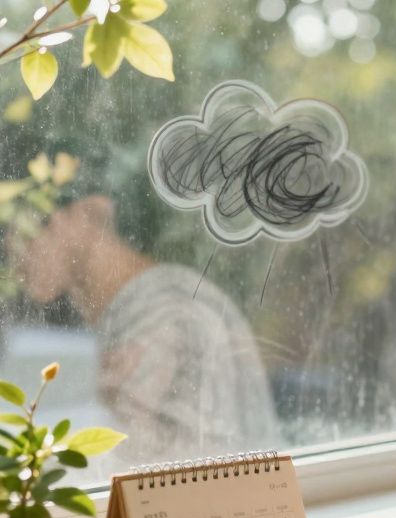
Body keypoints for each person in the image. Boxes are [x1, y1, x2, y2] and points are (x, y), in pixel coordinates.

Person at [3, 191, 281, 467]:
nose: (14, 253)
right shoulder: (146, 305)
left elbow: (160, 471)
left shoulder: (165, 317)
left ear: (90, 210)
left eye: (31, 230)